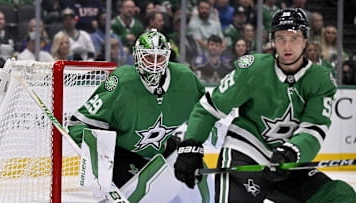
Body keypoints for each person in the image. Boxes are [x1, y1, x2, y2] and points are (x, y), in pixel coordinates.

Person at [174, 8, 356, 202]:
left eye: (294, 38)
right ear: (272, 41)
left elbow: (314, 127)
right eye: (280, 38)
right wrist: (190, 145)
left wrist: (293, 151)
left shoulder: (320, 80)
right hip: (246, 152)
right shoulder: (253, 69)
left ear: (305, 41)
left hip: (289, 163)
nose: (287, 45)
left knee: (340, 196)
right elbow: (210, 108)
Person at [68, 30, 211, 202]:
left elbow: (208, 111)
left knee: (199, 174)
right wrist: (97, 165)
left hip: (161, 149)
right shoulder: (122, 82)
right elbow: (79, 123)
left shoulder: (185, 78)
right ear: (137, 57)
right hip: (122, 154)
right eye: (149, 57)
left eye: (160, 58)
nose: (155, 65)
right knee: (139, 194)